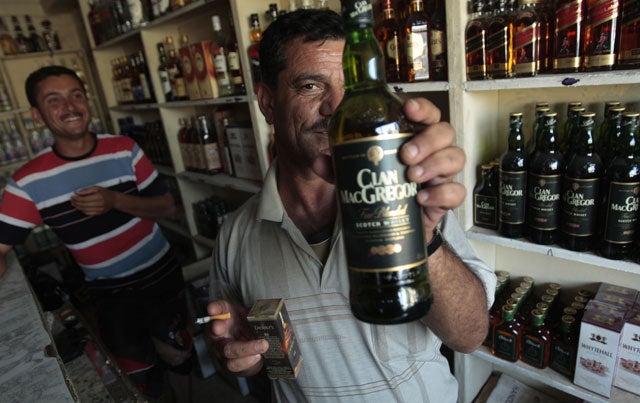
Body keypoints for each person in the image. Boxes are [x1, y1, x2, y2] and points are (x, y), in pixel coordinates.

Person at [206, 8, 496, 402]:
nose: (339, 108)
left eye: (351, 87)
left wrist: (421, 235)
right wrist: (241, 352)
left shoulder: (406, 196)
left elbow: (470, 335)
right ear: (267, 102)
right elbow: (237, 350)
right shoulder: (235, 236)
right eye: (311, 86)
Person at [0, 65, 192, 399]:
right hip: (111, 295)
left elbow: (167, 207)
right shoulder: (27, 182)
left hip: (162, 277)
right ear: (36, 114)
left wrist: (115, 200)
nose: (70, 106)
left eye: (76, 95)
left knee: (179, 357)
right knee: (138, 379)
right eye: (54, 100)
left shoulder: (123, 148)